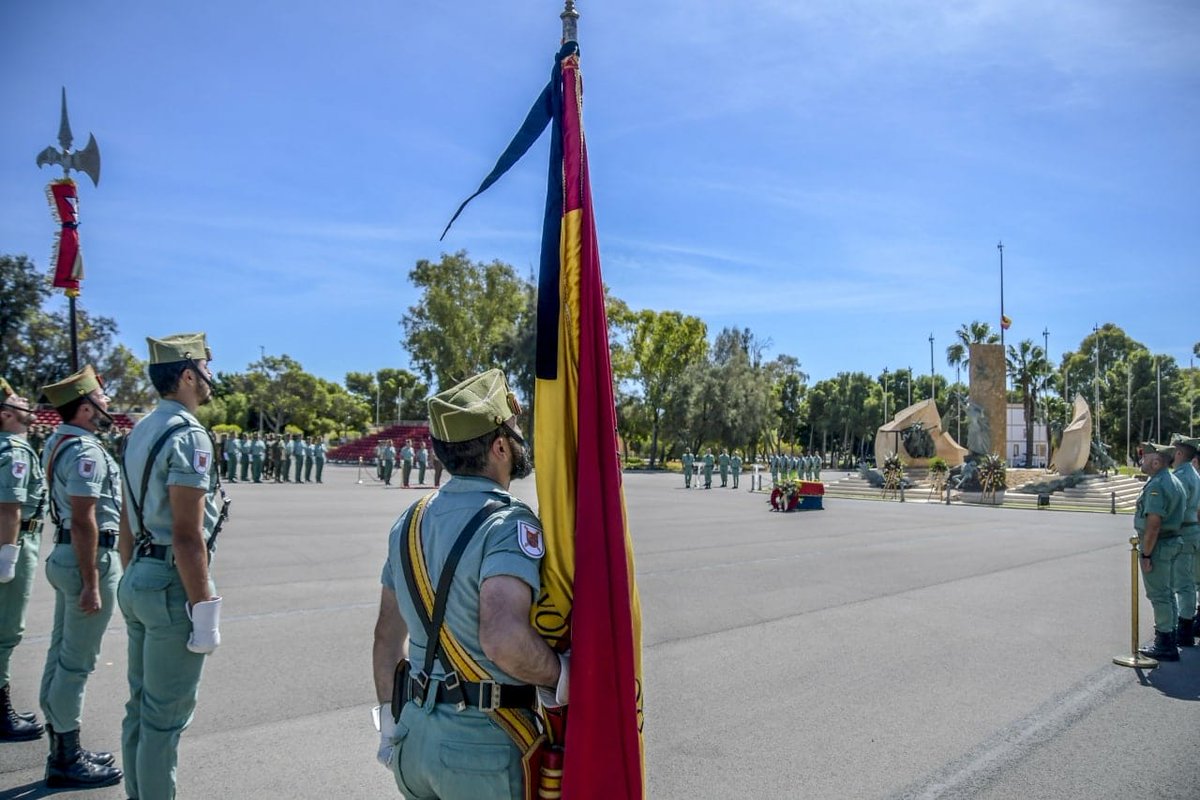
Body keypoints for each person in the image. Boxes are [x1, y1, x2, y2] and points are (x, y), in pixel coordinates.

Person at [371, 369, 566, 799]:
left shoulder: (409, 520)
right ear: (499, 446)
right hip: (481, 748)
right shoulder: (507, 522)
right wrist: (562, 674)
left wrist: (390, 726)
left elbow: (386, 638)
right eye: (514, 430)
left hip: (414, 739)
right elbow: (502, 637)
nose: (519, 439)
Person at [117, 333, 227, 800]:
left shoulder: (140, 429)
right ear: (187, 375)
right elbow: (187, 534)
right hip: (170, 582)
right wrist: (202, 607)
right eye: (205, 368)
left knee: (141, 708)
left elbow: (126, 518)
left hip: (140, 571)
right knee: (164, 720)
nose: (210, 378)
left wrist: (133, 574)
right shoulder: (187, 434)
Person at [38, 365, 124, 788]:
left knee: (61, 656)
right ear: (86, 408)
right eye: (102, 399)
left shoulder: (59, 441)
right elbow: (85, 518)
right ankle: (66, 759)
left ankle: (62, 745)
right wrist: (92, 582)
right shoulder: (86, 450)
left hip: (66, 555)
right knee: (76, 664)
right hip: (86, 557)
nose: (108, 404)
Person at [0, 379, 49, 743]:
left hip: (13, 538)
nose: (25, 400)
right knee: (6, 631)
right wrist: (8, 555)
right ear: (5, 415)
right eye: (17, 400)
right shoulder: (14, 450)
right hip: (15, 539)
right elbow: (9, 508)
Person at [1135, 442, 1187, 661]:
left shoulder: (1158, 485)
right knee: (1167, 593)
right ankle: (1170, 637)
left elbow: (1153, 525)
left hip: (1159, 546)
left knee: (1159, 594)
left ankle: (1164, 642)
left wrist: (1146, 554)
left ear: (1156, 462)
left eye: (1145, 458)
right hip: (1171, 543)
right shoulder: (1172, 480)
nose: (1141, 461)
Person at [1168, 435, 1200, 646]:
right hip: (1193, 532)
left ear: (1179, 453)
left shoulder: (1180, 476)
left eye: (1172, 450)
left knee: (1183, 584)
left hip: (1183, 534)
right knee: (1191, 581)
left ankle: (1184, 629)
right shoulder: (1194, 474)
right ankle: (1188, 625)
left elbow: (1173, 509)